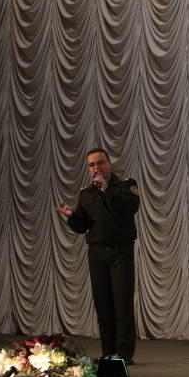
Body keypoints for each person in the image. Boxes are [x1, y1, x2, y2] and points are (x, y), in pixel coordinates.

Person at [56, 148, 140, 364]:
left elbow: (131, 207)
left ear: (109, 164)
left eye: (100, 162)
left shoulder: (125, 185)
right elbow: (82, 226)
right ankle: (108, 353)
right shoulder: (86, 193)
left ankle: (124, 354)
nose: (96, 167)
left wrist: (107, 190)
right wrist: (72, 216)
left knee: (122, 303)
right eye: (92, 165)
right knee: (103, 304)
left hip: (120, 251)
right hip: (96, 253)